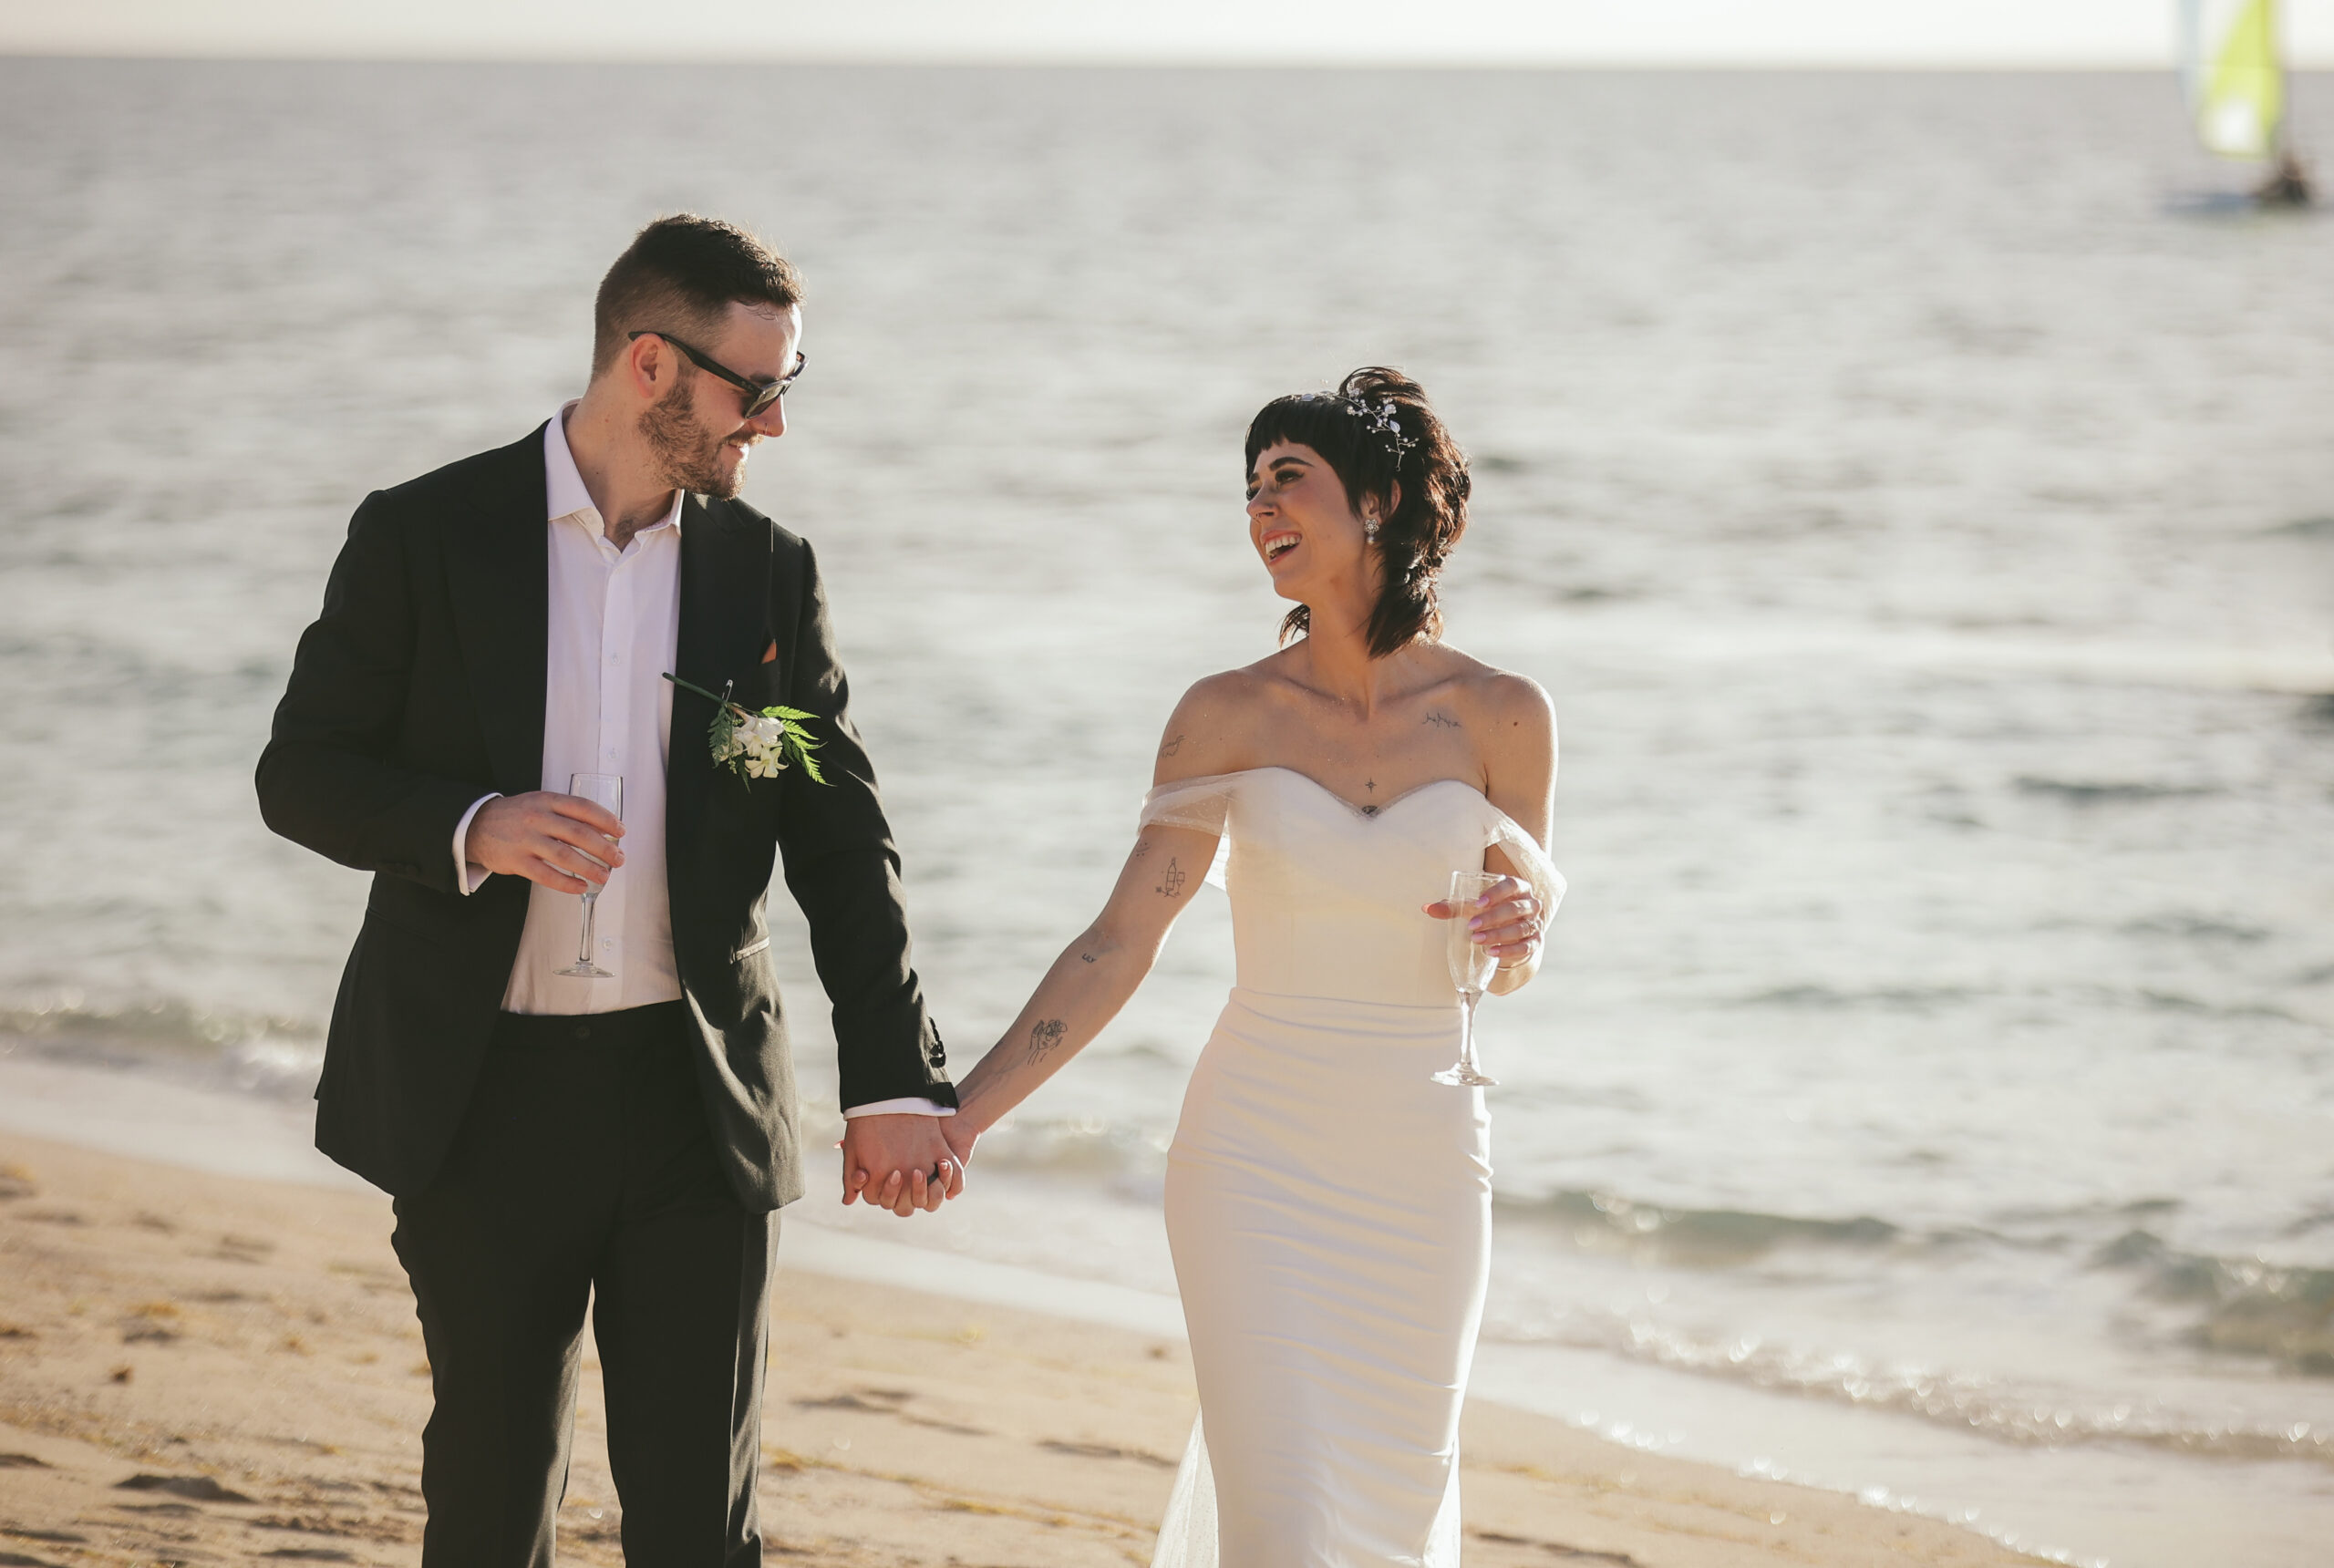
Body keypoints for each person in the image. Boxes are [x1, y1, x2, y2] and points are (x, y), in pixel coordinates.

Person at [255, 214, 962, 1567]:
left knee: (702, 1516)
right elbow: (301, 773)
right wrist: (473, 824)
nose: (773, 426)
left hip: (693, 1105)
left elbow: (840, 838)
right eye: (756, 393)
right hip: (481, 1099)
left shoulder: (766, 573)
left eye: (785, 390)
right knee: (492, 1494)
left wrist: (894, 1081)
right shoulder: (424, 535)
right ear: (650, 365)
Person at [940, 367, 1562, 1565]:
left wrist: (1521, 934)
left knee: (1389, 1512)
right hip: (1252, 1155)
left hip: (1426, 1162)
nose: (1258, 507)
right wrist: (964, 1115)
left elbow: (1517, 938)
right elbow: (1119, 940)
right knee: (1277, 1521)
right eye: (1250, 485)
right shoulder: (1224, 714)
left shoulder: (1503, 713)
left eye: (1289, 479)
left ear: (1379, 503)